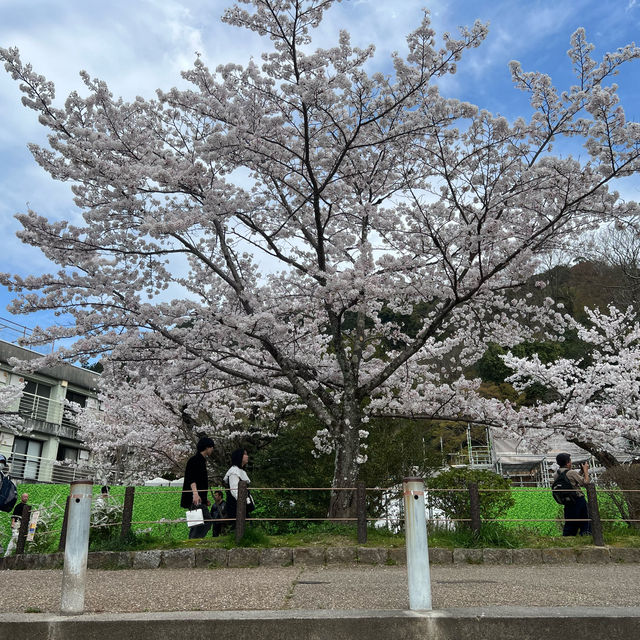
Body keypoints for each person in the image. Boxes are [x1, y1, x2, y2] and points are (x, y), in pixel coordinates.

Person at [180, 437, 215, 539]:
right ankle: (194, 542)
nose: (212, 449)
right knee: (206, 519)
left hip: (197, 497)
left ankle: (192, 543)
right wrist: (195, 494)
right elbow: (192, 478)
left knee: (197, 522)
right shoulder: (195, 460)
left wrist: (204, 498)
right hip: (194, 497)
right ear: (206, 447)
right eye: (211, 447)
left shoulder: (201, 461)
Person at [553, 453, 591, 536]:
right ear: (567, 463)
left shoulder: (556, 474)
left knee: (570, 521)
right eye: (570, 461)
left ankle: (568, 537)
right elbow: (586, 482)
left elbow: (571, 481)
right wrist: (586, 470)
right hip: (578, 500)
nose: (571, 463)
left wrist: (580, 472)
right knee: (585, 520)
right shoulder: (572, 472)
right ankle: (586, 535)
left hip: (568, 501)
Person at [223, 448, 253, 523]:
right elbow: (235, 491)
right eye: (245, 454)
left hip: (241, 502)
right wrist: (244, 501)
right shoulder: (234, 471)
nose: (247, 456)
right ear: (239, 456)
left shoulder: (241, 471)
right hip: (236, 504)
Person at [5, 492, 28, 557]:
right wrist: (13, 523)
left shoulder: (27, 506)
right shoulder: (18, 506)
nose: (26, 498)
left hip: (22, 526)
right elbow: (14, 516)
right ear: (21, 498)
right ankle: (12, 554)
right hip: (16, 524)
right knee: (15, 538)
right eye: (24, 497)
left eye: (27, 497)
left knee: (15, 540)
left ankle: (8, 554)